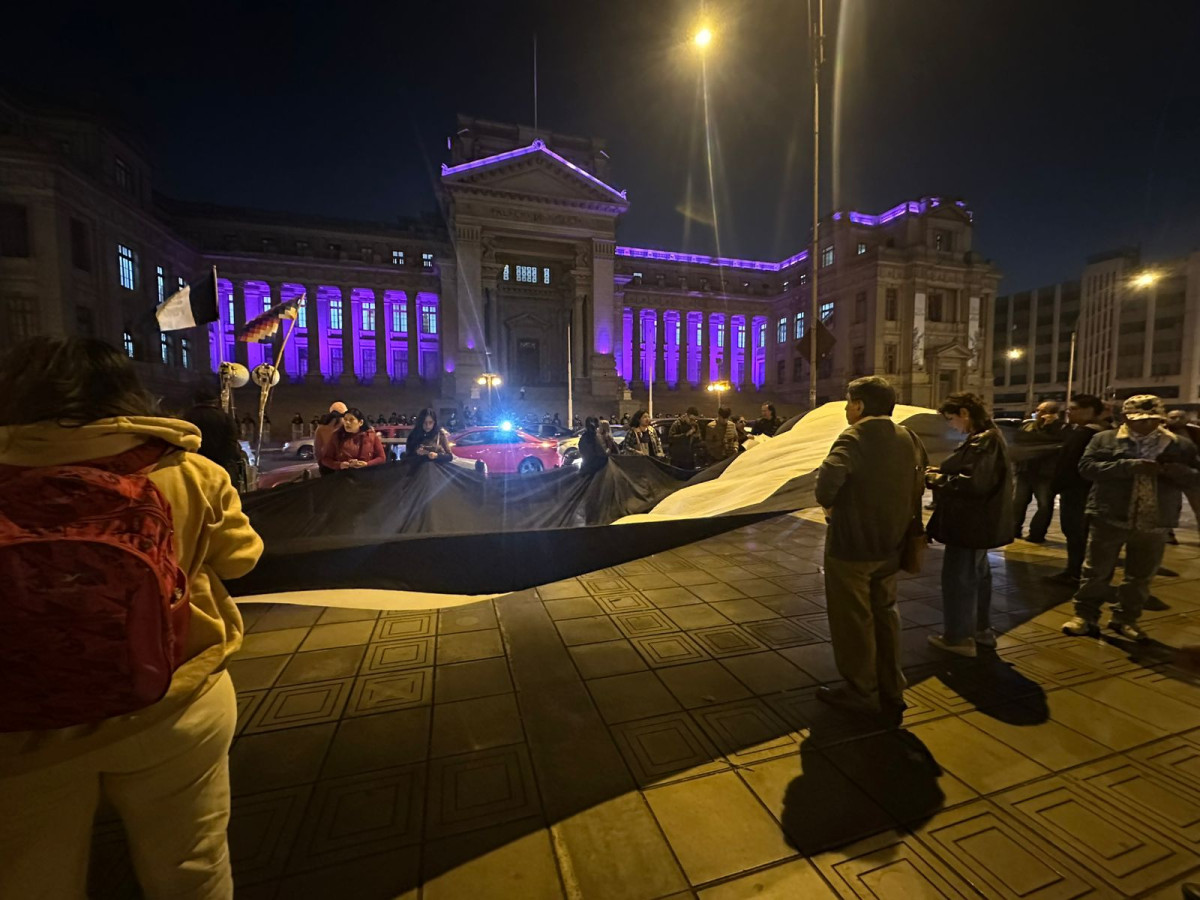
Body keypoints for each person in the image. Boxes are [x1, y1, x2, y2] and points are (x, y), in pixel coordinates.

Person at [0, 336, 263, 899]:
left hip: (21, 723)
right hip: (174, 699)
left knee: (30, 879)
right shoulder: (185, 471)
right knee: (192, 866)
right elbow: (242, 559)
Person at [814, 376, 927, 715]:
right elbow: (919, 483)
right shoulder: (908, 437)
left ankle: (861, 689)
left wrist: (832, 510)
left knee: (853, 619)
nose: (847, 409)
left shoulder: (853, 437)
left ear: (859, 405)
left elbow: (826, 485)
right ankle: (892, 687)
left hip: (852, 546)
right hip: (892, 545)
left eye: (849, 403)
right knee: (886, 614)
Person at [1063, 395, 1200, 641]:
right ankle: (1085, 615)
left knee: (1141, 575)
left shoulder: (1179, 444)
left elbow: (1195, 478)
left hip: (1156, 519)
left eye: (1152, 419)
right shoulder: (1104, 439)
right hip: (1110, 515)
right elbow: (1086, 468)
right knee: (1096, 571)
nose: (1146, 424)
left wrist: (1178, 471)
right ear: (1126, 418)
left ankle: (1126, 618)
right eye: (1139, 419)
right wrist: (1128, 466)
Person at [925, 392, 1015, 657]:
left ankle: (958, 638)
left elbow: (973, 483)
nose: (951, 425)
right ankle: (980, 630)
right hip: (978, 524)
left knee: (959, 579)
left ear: (964, 413)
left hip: (969, 524)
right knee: (977, 577)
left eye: (951, 418)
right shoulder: (988, 438)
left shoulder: (983, 441)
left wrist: (934, 479)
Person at [1046, 394, 1109, 585]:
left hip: (1076, 490)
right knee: (1080, 533)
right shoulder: (1098, 432)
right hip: (1085, 489)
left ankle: (1075, 572)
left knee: (1075, 532)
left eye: (1073, 409)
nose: (1068, 412)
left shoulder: (1086, 434)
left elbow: (1069, 463)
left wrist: (1056, 486)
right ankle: (1080, 571)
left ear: (1090, 411)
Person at [1012, 400, 1064, 542]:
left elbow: (1054, 443)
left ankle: (1037, 533)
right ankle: (1014, 529)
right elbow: (1020, 441)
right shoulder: (1028, 425)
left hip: (1045, 473)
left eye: (1042, 411)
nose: (1038, 413)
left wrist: (1050, 426)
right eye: (1038, 410)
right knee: (1018, 503)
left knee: (1044, 505)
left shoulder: (1059, 428)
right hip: (1025, 470)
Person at [183, 384, 247, 490]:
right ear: (216, 401)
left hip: (195, 469)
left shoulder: (187, 417)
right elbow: (231, 443)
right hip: (222, 468)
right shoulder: (225, 417)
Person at [1166, 409, 1200, 542]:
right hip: (1168, 476)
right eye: (1173, 417)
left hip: (1191, 475)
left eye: (1180, 417)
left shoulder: (1195, 432)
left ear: (1187, 419)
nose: (1177, 420)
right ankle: (1168, 534)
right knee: (1170, 506)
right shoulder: (1160, 433)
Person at [318, 407, 387, 471]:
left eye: (351, 420)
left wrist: (367, 464)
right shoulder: (337, 436)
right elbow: (325, 459)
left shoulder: (371, 436)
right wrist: (339, 465)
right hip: (343, 476)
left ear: (360, 422)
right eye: (345, 419)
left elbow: (381, 458)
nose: (347, 422)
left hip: (366, 474)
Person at [314, 401, 346, 476]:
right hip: (342, 463)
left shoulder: (321, 427)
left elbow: (317, 448)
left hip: (326, 463)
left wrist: (320, 461)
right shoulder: (345, 425)